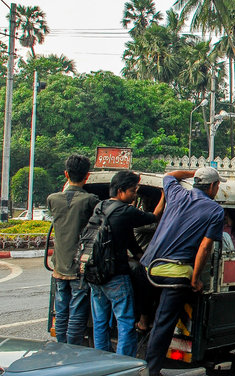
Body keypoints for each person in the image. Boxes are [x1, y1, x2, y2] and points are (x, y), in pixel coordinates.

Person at [140, 167, 225, 376]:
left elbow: (169, 176)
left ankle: (133, 356)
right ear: (213, 187)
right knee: (163, 324)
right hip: (175, 275)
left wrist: (193, 171)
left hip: (148, 267)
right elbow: (205, 247)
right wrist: (196, 279)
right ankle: (151, 370)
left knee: (143, 316)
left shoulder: (177, 194)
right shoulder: (215, 210)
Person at [89, 170, 164, 357]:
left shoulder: (101, 206)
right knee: (126, 322)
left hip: (95, 274)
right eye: (132, 191)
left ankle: (102, 359)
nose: (135, 195)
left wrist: (140, 256)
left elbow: (130, 241)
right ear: (121, 190)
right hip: (115, 275)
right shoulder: (125, 210)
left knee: (100, 321)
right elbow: (153, 217)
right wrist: (164, 195)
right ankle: (123, 363)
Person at [46, 155, 99, 345]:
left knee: (61, 312)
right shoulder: (90, 201)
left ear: (66, 174)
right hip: (80, 267)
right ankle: (72, 350)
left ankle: (61, 346)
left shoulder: (53, 199)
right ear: (88, 176)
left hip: (59, 267)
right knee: (76, 313)